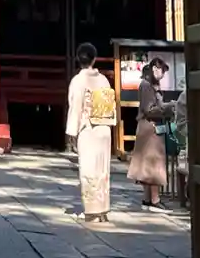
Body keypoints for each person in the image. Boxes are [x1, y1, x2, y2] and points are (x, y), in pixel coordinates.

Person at [65, 43, 117, 222]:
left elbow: (75, 106)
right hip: (104, 128)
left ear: (78, 59)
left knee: (88, 169)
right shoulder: (103, 80)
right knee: (103, 169)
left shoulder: (78, 80)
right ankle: (103, 209)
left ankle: (92, 211)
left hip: (88, 128)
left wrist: (72, 132)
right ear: (94, 59)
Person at [128, 55, 173, 208]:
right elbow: (149, 109)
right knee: (154, 164)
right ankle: (155, 199)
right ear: (155, 69)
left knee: (147, 165)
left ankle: (147, 197)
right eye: (162, 71)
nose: (163, 75)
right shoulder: (147, 85)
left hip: (150, 127)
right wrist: (167, 108)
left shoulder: (151, 84)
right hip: (150, 127)